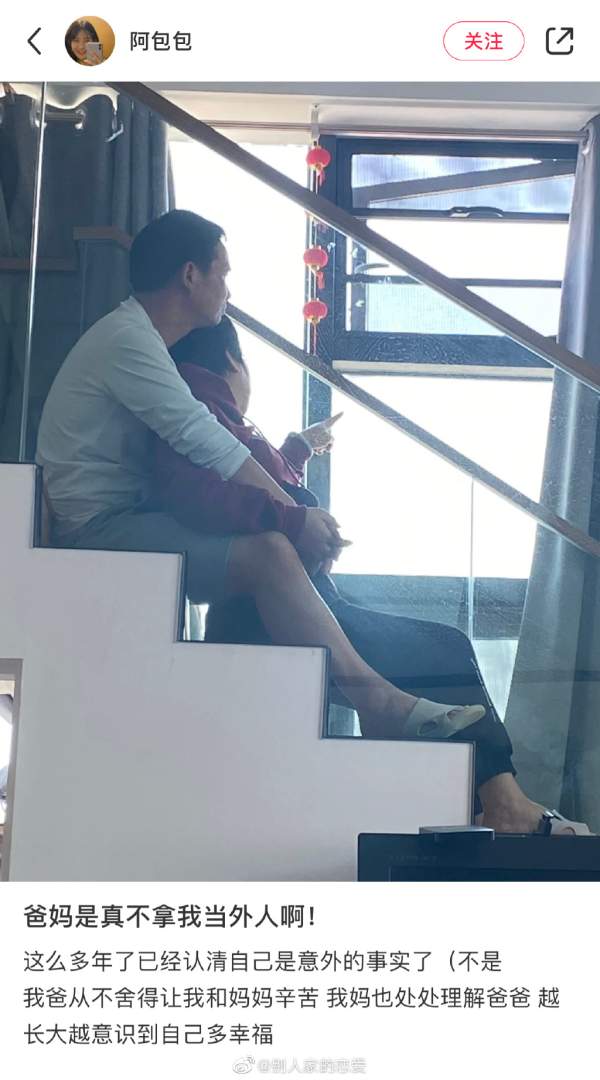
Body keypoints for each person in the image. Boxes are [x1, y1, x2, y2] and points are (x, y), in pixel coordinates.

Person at [36, 209, 487, 750]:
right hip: (98, 532)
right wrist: (295, 518)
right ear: (190, 275)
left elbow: (210, 446)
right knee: (271, 553)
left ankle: (338, 711)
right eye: (223, 272)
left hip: (127, 518)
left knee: (270, 547)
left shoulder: (138, 339)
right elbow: (204, 440)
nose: (228, 288)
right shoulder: (129, 340)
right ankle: (378, 705)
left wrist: (293, 498)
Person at [153, 314, 590, 837]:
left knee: (435, 661)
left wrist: (298, 451)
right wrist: (297, 522)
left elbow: (255, 481)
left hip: (286, 599)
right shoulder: (201, 404)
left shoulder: (214, 416)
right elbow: (217, 494)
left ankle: (489, 798)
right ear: (232, 362)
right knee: (444, 651)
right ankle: (504, 803)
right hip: (277, 607)